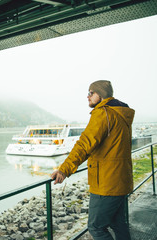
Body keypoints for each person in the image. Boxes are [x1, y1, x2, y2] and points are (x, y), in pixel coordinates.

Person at [51, 80, 135, 240]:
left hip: (106, 183)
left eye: (91, 93)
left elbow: (84, 144)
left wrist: (64, 169)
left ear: (101, 95)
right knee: (118, 224)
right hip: (121, 180)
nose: (88, 96)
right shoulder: (121, 114)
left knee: (96, 228)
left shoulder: (103, 113)